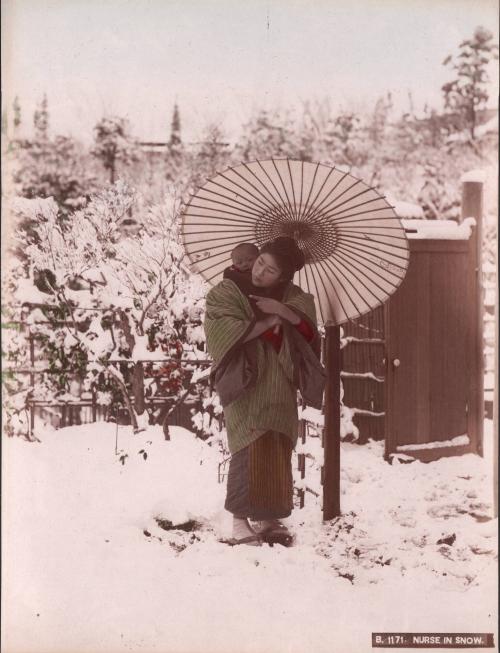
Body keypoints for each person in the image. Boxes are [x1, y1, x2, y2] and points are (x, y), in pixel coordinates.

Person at [204, 236, 325, 546]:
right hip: (247, 378)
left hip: (280, 380)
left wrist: (282, 310)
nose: (260, 273)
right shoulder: (227, 291)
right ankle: (240, 520)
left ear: (283, 276)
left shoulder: (293, 296)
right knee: (247, 442)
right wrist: (270, 318)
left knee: (277, 443)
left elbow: (309, 331)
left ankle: (269, 517)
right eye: (260, 263)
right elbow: (222, 331)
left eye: (270, 270)